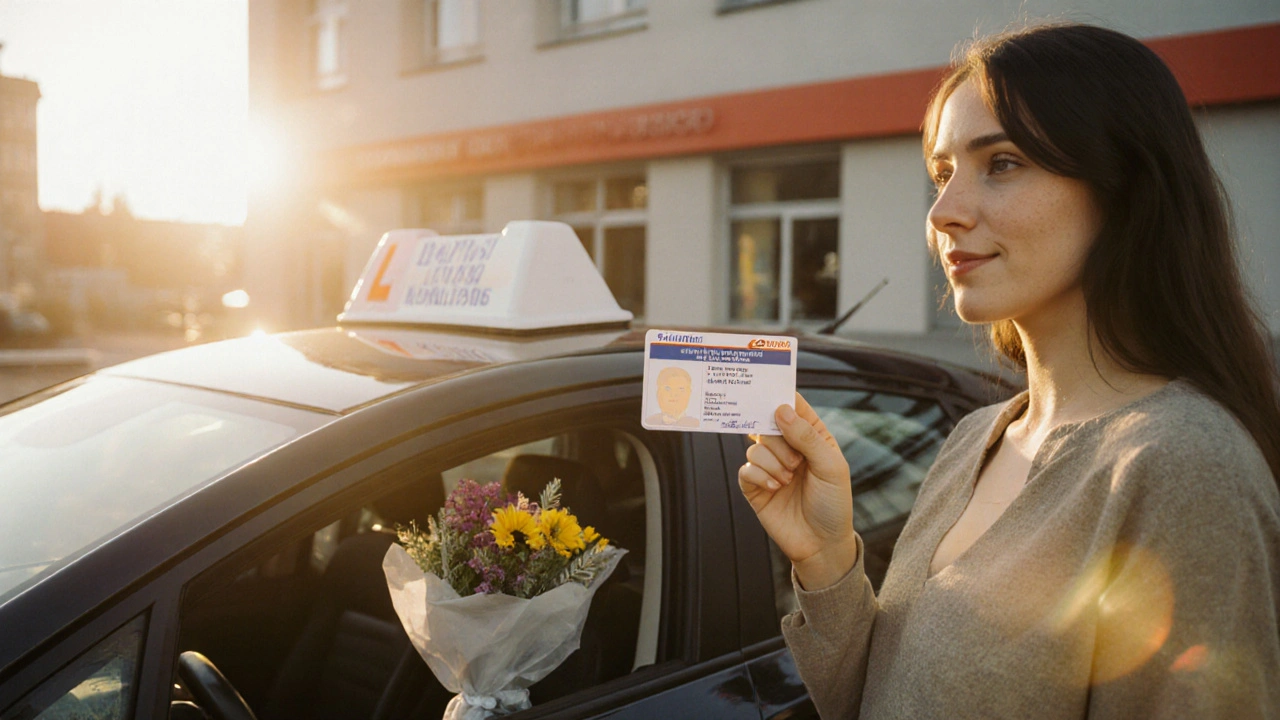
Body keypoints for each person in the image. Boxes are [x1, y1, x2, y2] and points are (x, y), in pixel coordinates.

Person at [738, 23, 1280, 719]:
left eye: (1001, 163)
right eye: (942, 174)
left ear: (1124, 189)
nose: (943, 213)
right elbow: (880, 700)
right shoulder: (976, 437)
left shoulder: (1184, 466)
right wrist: (827, 556)